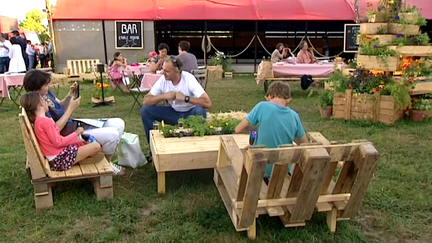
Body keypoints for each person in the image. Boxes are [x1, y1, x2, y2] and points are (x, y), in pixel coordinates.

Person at [23, 70, 126, 176]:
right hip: (66, 134)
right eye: (46, 84)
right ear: (36, 87)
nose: (48, 86)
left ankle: (105, 162)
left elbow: (61, 104)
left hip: (72, 125)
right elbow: (55, 129)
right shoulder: (38, 107)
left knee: (119, 123)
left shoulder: (45, 95)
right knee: (112, 134)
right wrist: (70, 110)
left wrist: (70, 95)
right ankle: (107, 166)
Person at [141, 56, 212, 160]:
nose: (163, 73)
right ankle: (153, 149)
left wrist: (186, 98)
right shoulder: (163, 80)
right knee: (145, 111)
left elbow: (208, 103)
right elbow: (146, 101)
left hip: (190, 113)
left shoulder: (188, 79)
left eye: (167, 71)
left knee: (200, 111)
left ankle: (197, 148)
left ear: (177, 72)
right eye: (163, 69)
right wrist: (163, 96)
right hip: (173, 113)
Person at [234, 82, 308, 178]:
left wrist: (257, 129)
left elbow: (238, 129)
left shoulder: (262, 106)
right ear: (289, 100)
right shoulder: (294, 116)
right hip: (282, 171)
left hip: (258, 168)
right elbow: (305, 144)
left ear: (268, 97)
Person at [20, 92, 102, 171]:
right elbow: (58, 142)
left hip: (57, 156)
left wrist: (76, 141)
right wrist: (76, 133)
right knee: (96, 146)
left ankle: (84, 157)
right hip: (59, 159)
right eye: (44, 100)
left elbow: (56, 141)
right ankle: (98, 164)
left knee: (82, 143)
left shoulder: (38, 121)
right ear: (41, 103)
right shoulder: (45, 122)